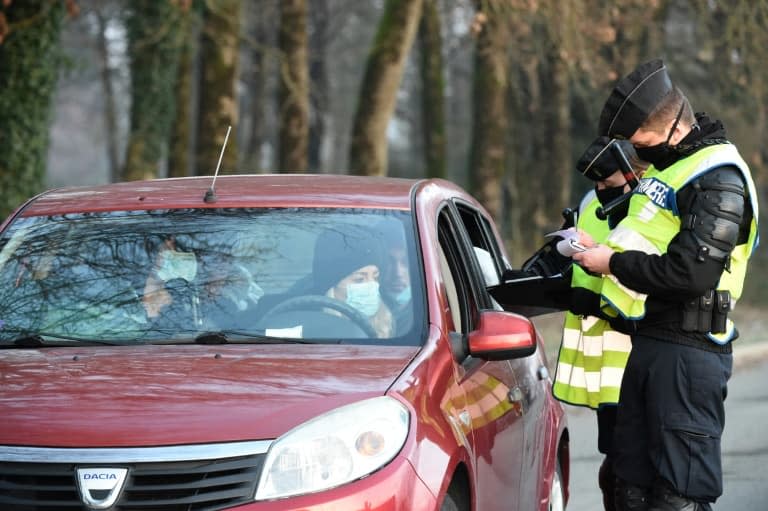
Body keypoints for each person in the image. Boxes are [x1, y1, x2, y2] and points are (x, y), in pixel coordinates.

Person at [573, 59, 759, 511]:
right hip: (651, 340)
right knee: (627, 485)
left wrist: (612, 262)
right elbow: (647, 233)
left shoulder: (719, 176)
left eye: (642, 141)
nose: (638, 149)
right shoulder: (667, 169)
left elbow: (690, 273)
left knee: (677, 496)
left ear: (674, 125)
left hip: (690, 350)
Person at [551, 135, 646, 511]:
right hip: (607, 372)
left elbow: (653, 278)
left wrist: (601, 303)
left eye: (608, 185)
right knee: (614, 472)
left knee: (635, 475)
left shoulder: (652, 208)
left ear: (635, 173)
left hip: (643, 360)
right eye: (596, 184)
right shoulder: (592, 202)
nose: (600, 192)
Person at [310, 225, 393, 338]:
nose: (370, 286)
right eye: (359, 280)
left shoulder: (392, 323)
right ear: (331, 285)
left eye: (376, 277)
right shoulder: (307, 324)